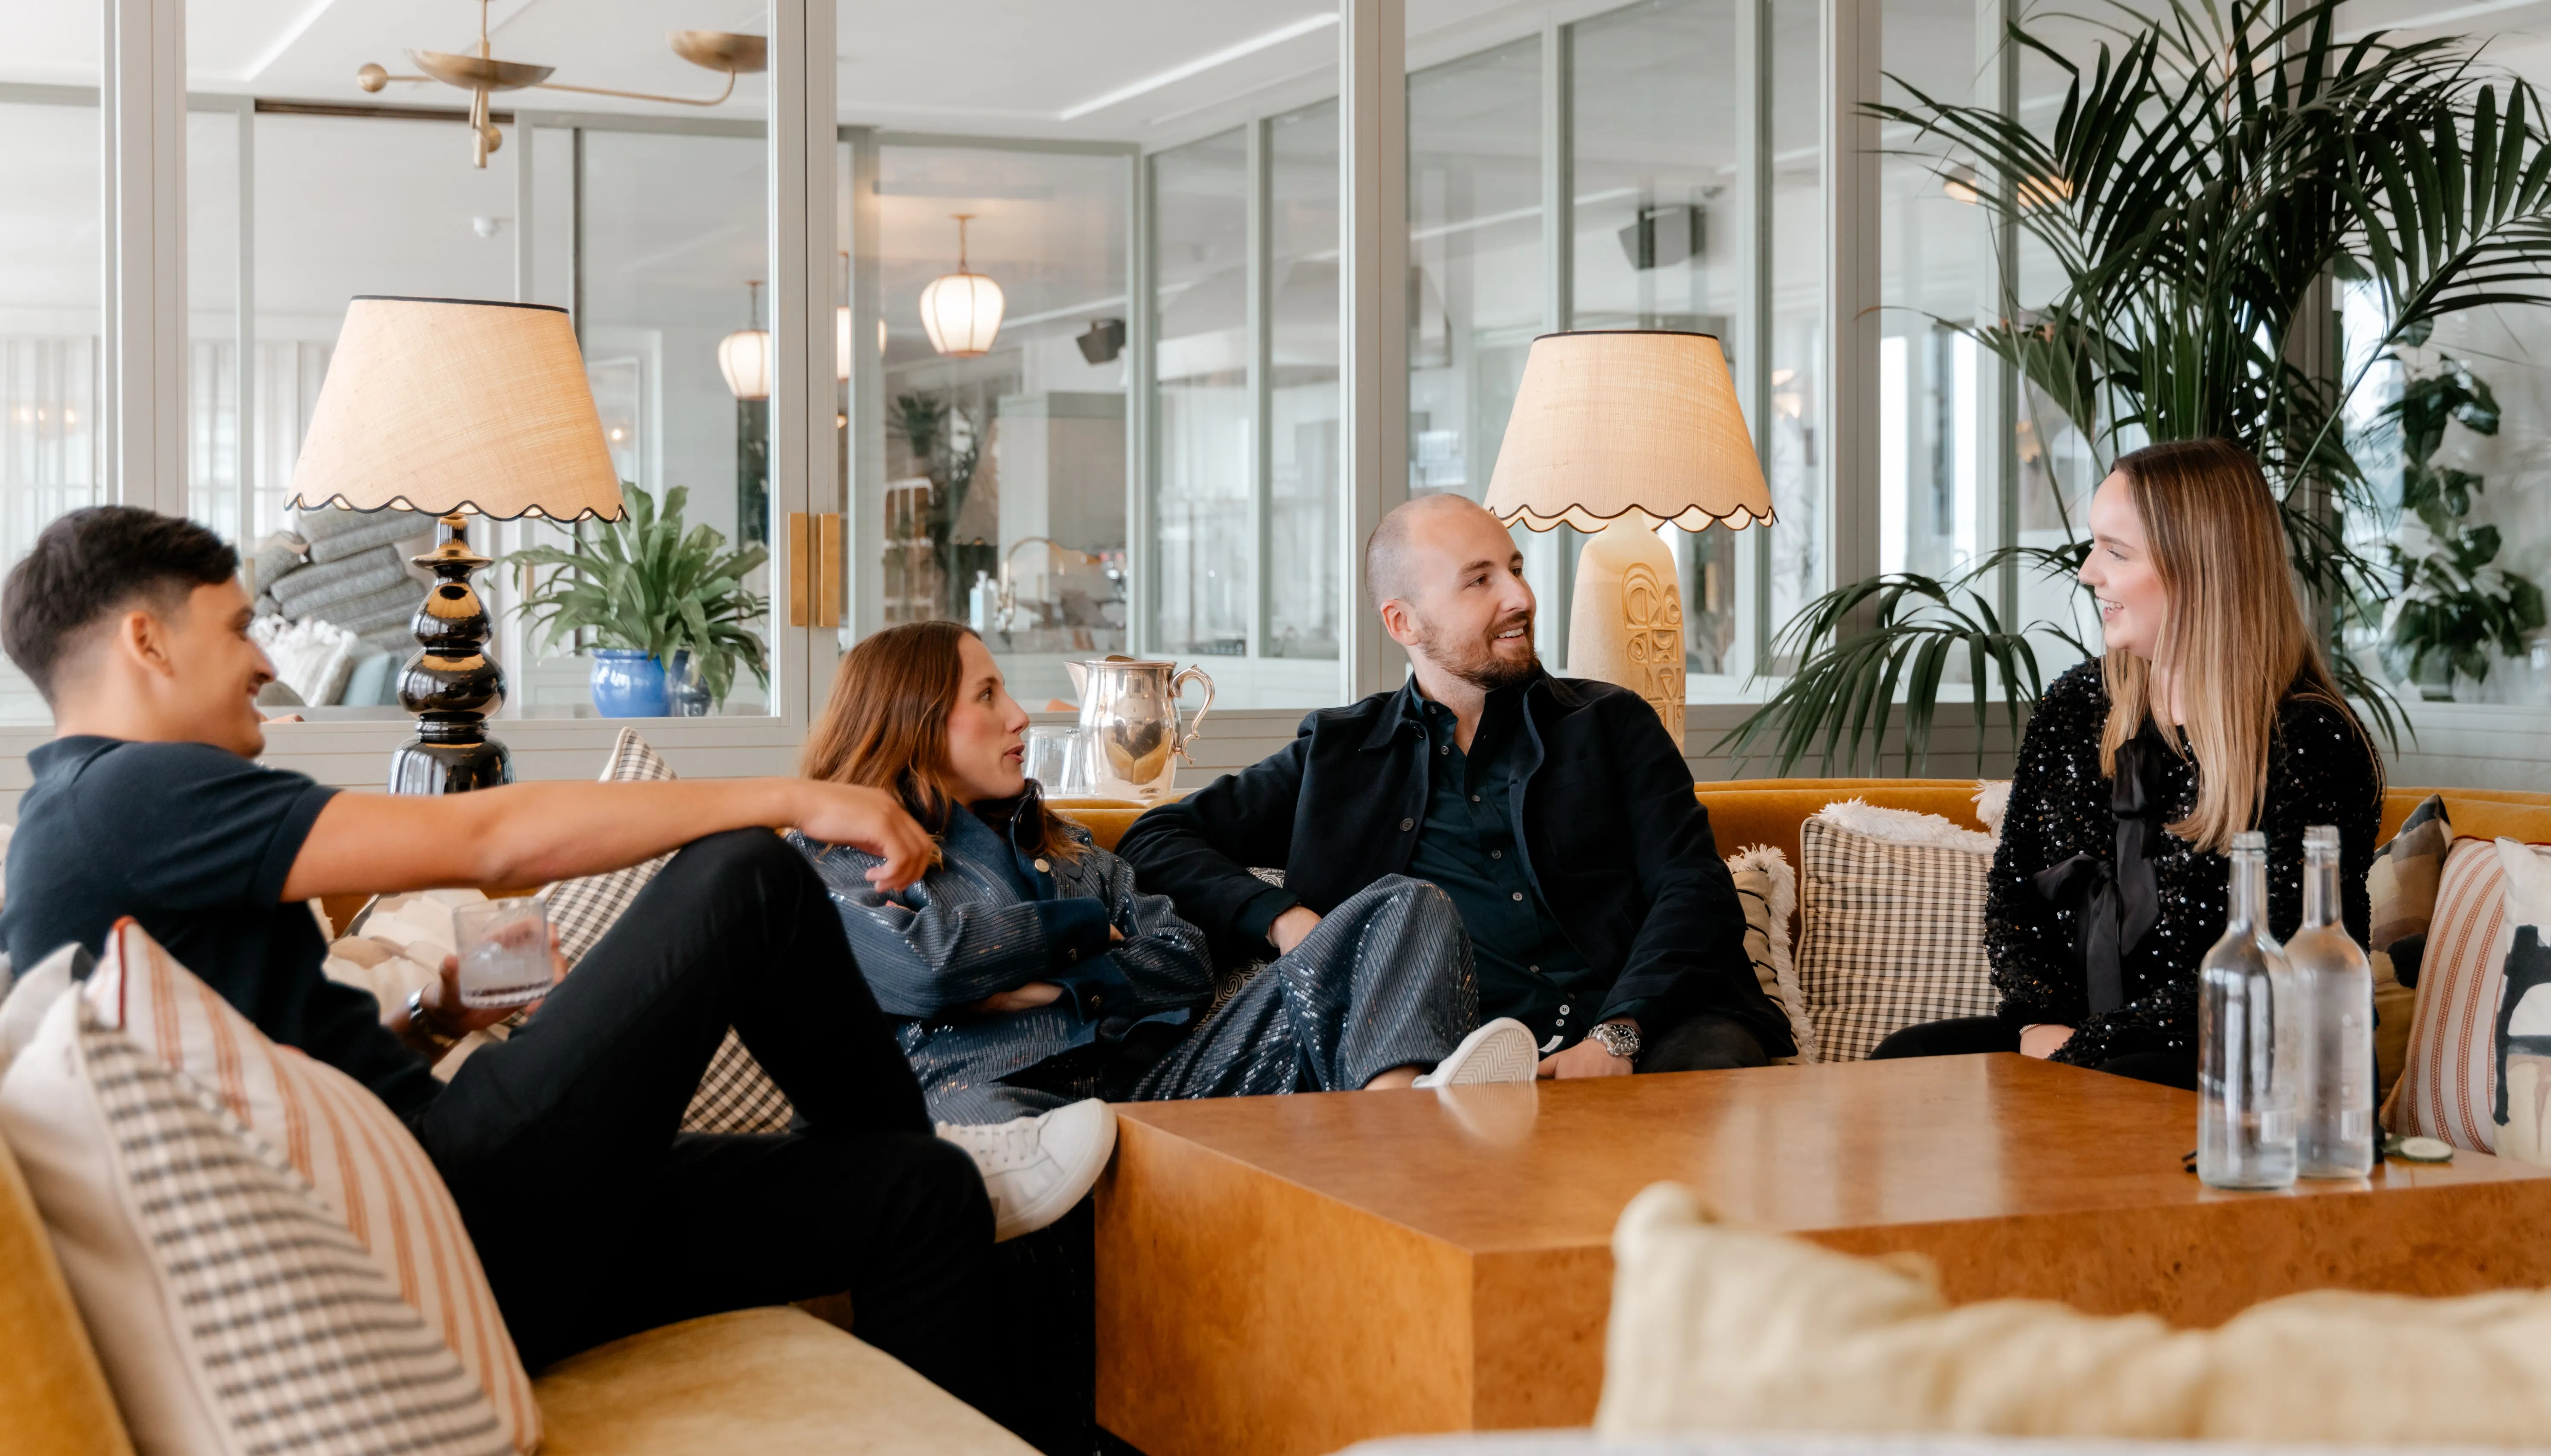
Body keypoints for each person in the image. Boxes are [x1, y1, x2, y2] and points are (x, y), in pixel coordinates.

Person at [0, 507, 1103, 1422]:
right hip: (457, 1208)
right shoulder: (126, 791)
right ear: (146, 641)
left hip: (467, 1228)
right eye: (238, 626)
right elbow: (494, 840)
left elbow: (259, 1075)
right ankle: (913, 1120)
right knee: (742, 873)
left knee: (919, 1197)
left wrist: (431, 1012)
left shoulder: (81, 822)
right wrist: (793, 793)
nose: (265, 659)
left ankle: (930, 1160)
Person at [1116, 494, 1792, 1077]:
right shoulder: (1341, 753)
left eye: (1517, 570)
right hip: (1458, 1063)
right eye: (1480, 581)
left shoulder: (1611, 724)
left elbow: (1693, 888)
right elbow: (1157, 838)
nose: (1520, 598)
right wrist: (1287, 922)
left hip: (1655, 1030)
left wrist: (1616, 1035)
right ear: (1403, 622)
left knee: (1709, 1071)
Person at [794, 620, 1533, 1140]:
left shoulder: (1067, 846)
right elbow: (925, 967)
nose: (1019, 716)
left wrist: (1053, 987)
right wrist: (1085, 932)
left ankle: (1397, 1119)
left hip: (1153, 1093)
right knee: (994, 1142)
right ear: (910, 717)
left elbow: (1182, 961)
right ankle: (1410, 1132)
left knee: (1402, 906)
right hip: (987, 1100)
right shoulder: (832, 854)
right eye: (987, 696)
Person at [1870, 438, 2383, 1089]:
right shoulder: (2077, 704)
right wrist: (2037, 1025)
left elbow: (2276, 967)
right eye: (2096, 547)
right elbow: (2013, 896)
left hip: (2254, 1059)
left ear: (2201, 566)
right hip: (2087, 1042)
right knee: (1905, 1061)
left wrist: (2084, 1049)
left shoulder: (2309, 740)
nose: (2088, 572)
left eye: (2116, 552)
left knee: (2122, 1082)